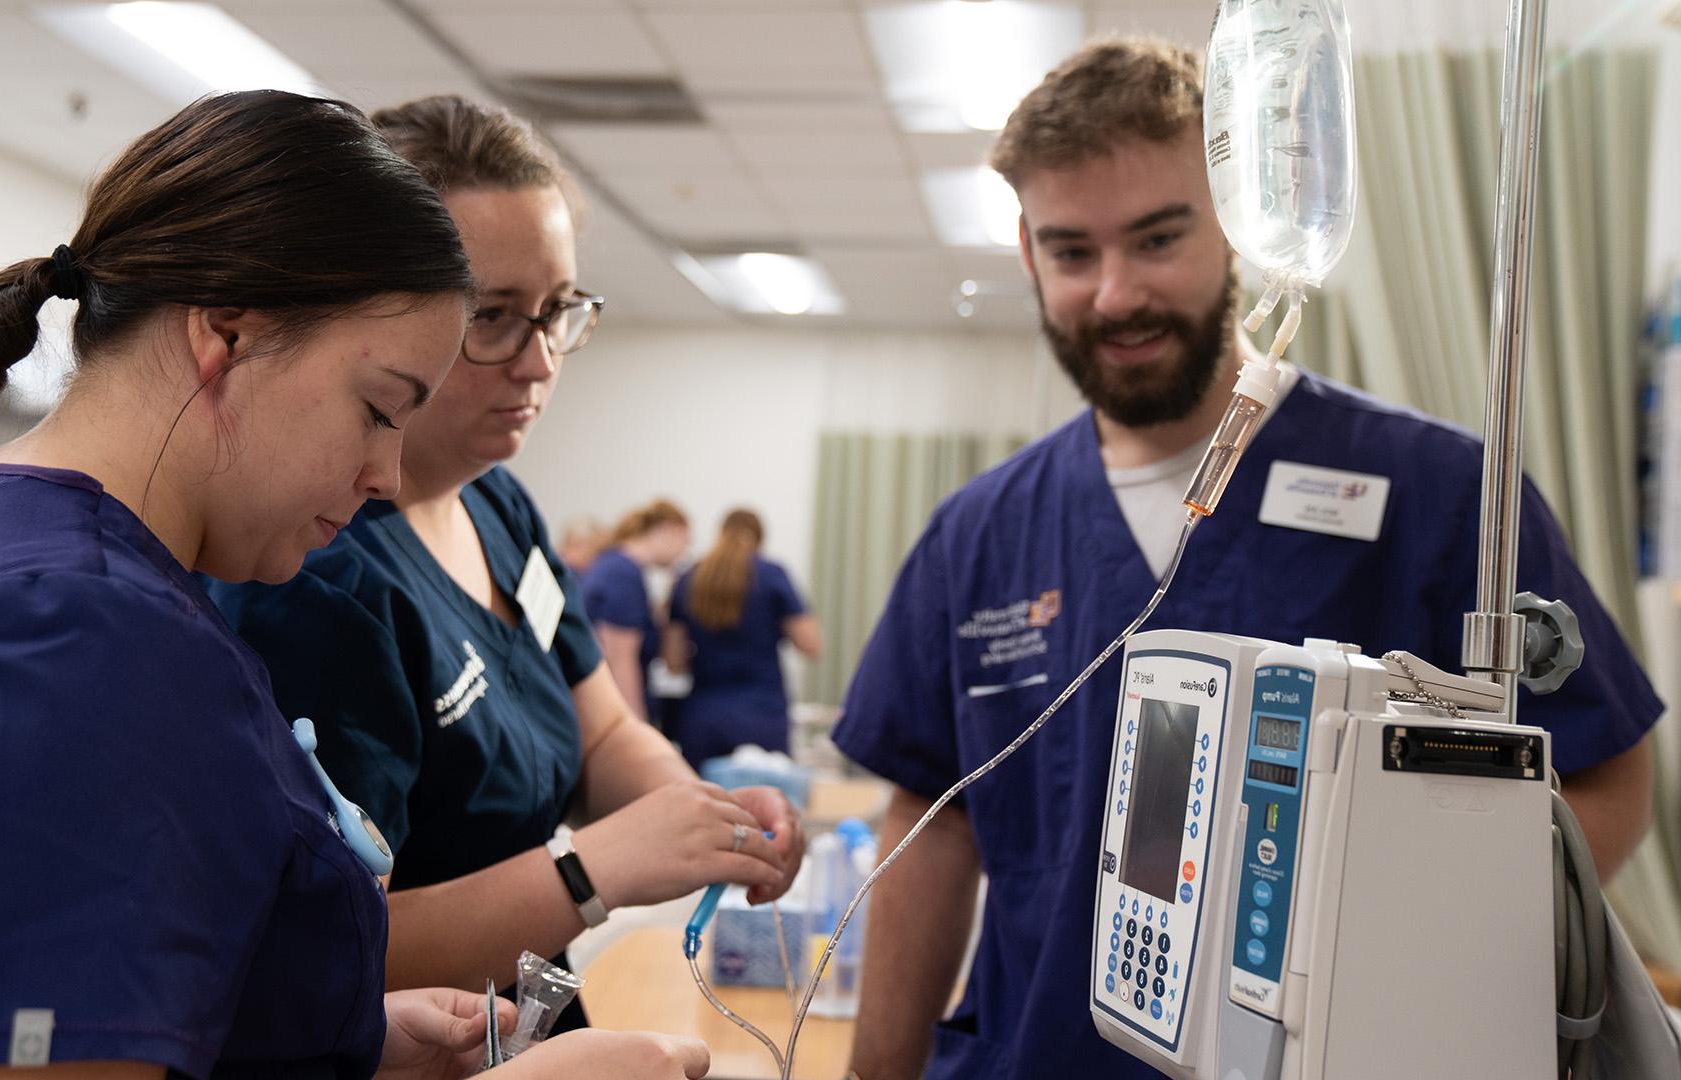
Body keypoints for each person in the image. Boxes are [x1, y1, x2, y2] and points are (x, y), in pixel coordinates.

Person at [0, 91, 708, 1080]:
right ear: (228, 335)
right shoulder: (68, 637)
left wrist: (338, 1034)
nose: (387, 476)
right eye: (381, 410)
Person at [831, 39, 1659, 1080]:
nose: (1116, 292)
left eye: (1159, 236)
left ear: (1238, 218)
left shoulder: (1438, 493)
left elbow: (1605, 773)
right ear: (1027, 249)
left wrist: (1403, 957)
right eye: (1072, 251)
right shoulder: (978, 534)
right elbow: (929, 830)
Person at [206, 95, 801, 1024]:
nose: (539, 363)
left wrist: (701, 817)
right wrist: (588, 870)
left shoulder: (497, 504)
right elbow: (326, 939)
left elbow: (600, 731)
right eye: (491, 318)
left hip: (526, 1009)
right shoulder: (316, 570)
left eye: (557, 311)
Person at [663, 509, 821, 767]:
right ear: (759, 539)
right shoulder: (772, 575)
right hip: (762, 714)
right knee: (765, 803)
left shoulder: (688, 578)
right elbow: (811, 645)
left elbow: (674, 661)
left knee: (703, 803)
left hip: (703, 716)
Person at [582, 499, 691, 723]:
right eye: (685, 542)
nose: (683, 553)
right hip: (607, 709)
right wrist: (636, 726)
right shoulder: (623, 574)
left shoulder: (616, 567)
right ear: (669, 529)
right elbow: (620, 661)